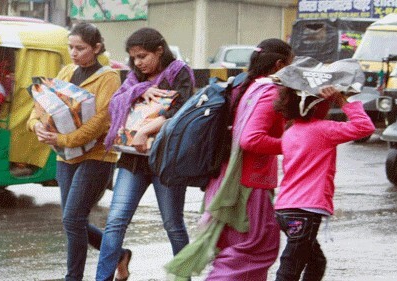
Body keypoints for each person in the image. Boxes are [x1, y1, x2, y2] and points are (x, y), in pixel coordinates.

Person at [165, 38, 294, 281]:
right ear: (279, 64)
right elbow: (250, 139)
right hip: (247, 185)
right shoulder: (269, 91)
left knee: (232, 250)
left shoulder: (241, 85)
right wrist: (293, 144)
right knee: (255, 249)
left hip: (224, 179)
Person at [26, 22, 129, 281]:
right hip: (65, 156)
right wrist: (36, 125)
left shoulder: (109, 77)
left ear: (96, 48)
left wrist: (65, 138)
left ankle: (73, 277)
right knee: (73, 220)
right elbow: (43, 104)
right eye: (70, 47)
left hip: (96, 155)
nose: (73, 53)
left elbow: (101, 121)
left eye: (80, 48)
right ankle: (119, 255)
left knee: (73, 218)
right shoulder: (67, 71)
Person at [96, 27, 195, 281]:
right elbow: (116, 103)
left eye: (143, 56)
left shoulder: (179, 73)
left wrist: (147, 130)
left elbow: (183, 110)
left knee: (173, 225)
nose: (138, 63)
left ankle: (183, 277)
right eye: (134, 58)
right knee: (116, 221)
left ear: (159, 50)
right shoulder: (134, 78)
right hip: (132, 160)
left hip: (166, 161)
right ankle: (103, 278)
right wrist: (138, 91)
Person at [272, 85, 375, 280]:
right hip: (305, 211)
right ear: (316, 106)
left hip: (285, 209)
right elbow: (365, 127)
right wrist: (343, 101)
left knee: (315, 262)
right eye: (326, 104)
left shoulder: (291, 131)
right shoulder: (323, 130)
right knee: (290, 269)